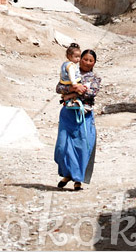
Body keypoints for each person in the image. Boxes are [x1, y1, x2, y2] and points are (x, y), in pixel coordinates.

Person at [54, 49, 101, 190]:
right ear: (80, 59)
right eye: (84, 59)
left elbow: (92, 93)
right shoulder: (71, 72)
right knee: (63, 147)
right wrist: (75, 90)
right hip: (68, 115)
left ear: (94, 63)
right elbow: (59, 87)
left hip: (84, 117)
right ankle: (67, 174)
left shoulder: (95, 78)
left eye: (90, 60)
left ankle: (77, 180)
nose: (87, 62)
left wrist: (71, 92)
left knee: (81, 147)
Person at [58, 43, 84, 108]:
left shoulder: (65, 64)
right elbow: (71, 75)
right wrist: (74, 84)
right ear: (69, 56)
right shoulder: (71, 66)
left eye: (79, 57)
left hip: (64, 82)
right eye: (76, 57)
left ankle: (67, 98)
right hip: (71, 82)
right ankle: (69, 97)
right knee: (82, 90)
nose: (78, 59)